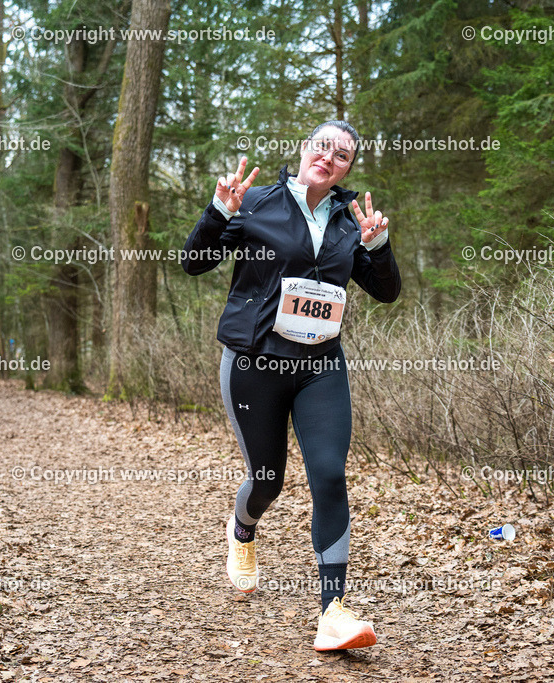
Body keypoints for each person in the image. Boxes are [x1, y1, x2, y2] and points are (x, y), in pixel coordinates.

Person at [182, 120, 401, 651]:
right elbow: (194, 262)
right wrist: (219, 214)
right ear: (305, 150)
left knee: (328, 474)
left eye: (342, 154)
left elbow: (387, 291)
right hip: (255, 362)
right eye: (322, 146)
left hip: (320, 366)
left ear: (348, 168)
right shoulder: (256, 202)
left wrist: (380, 244)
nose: (329, 157)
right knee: (268, 481)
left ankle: (333, 612)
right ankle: (242, 530)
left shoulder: (350, 223)